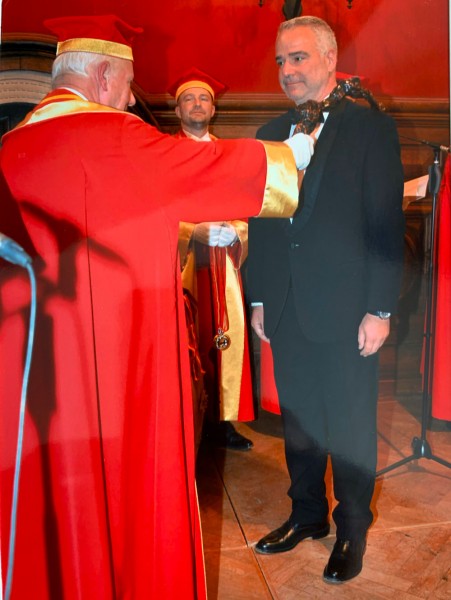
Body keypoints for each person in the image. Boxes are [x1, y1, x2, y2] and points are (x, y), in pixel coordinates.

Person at [0, 14, 315, 600]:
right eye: (124, 86)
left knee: (48, 498)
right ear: (100, 77)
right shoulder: (118, 137)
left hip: (29, 377)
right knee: (126, 492)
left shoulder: (10, 145)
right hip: (116, 367)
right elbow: (209, 171)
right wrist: (288, 156)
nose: (125, 100)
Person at [247, 16, 405, 584]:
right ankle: (307, 515)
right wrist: (260, 297)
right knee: (302, 422)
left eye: (299, 58)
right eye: (281, 61)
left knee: (352, 423)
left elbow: (387, 225)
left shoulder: (369, 129)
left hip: (348, 309)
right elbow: (263, 226)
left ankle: (353, 527)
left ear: (329, 58)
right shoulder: (268, 133)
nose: (288, 71)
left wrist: (380, 309)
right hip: (287, 305)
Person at [171, 68, 254, 452]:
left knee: (225, 339)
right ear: (177, 110)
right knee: (188, 339)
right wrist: (191, 231)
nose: (197, 104)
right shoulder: (164, 153)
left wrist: (238, 230)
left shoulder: (228, 154)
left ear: (214, 107)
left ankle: (224, 423)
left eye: (203, 98)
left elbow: (245, 206)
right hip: (184, 262)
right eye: (189, 99)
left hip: (223, 263)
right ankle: (188, 421)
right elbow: (160, 210)